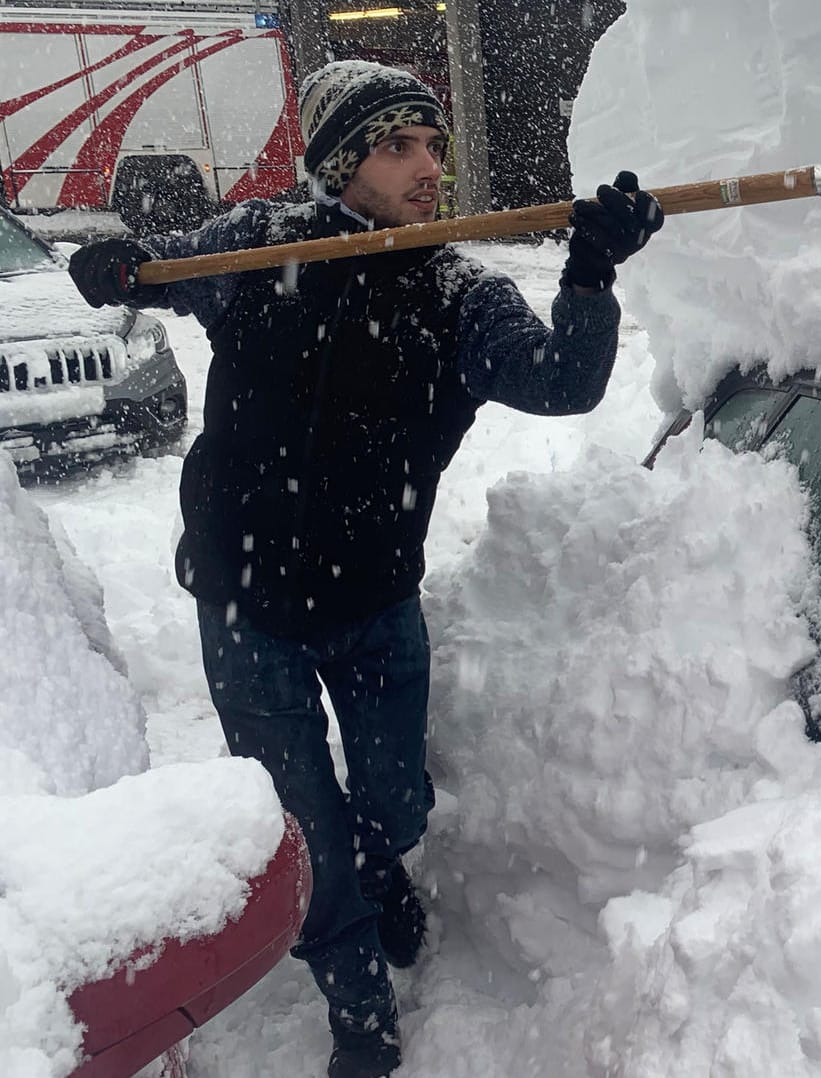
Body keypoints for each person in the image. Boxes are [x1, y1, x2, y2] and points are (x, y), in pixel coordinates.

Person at [66, 60, 662, 1078]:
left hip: (378, 603)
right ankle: (358, 1006)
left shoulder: (456, 291)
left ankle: (380, 869)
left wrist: (591, 271)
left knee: (395, 804)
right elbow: (153, 268)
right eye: (400, 146)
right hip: (247, 608)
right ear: (342, 165)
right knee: (308, 831)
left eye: (435, 145)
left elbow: (563, 384)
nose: (430, 166)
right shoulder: (260, 244)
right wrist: (114, 263)